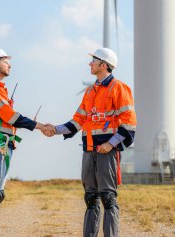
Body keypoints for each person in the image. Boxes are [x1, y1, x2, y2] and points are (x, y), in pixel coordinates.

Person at [43, 48, 137, 237]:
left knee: (108, 198)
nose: (89, 64)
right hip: (88, 150)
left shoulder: (118, 87)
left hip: (106, 152)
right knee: (90, 198)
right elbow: (78, 121)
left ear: (104, 65)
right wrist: (55, 129)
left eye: (93, 61)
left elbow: (129, 122)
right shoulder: (90, 91)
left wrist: (111, 144)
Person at [0, 48, 48, 237]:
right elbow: (10, 116)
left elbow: (8, 117)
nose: (10, 64)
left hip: (2, 144)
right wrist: (39, 126)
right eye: (6, 61)